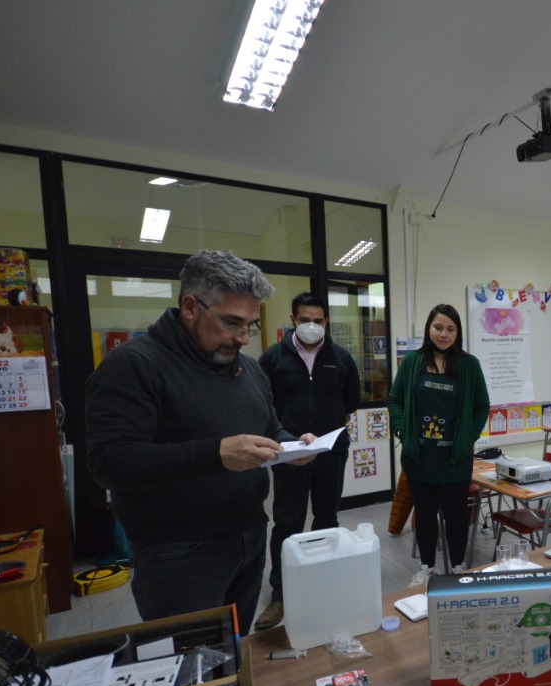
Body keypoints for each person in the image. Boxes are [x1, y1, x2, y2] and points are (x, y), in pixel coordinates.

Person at [86, 250, 315, 635]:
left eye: (250, 326)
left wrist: (294, 446)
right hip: (177, 552)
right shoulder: (135, 365)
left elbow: (270, 427)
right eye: (231, 323)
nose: (242, 337)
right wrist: (216, 454)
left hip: (248, 535)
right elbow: (109, 462)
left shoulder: (249, 368)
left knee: (235, 653)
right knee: (190, 667)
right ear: (190, 306)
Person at [253, 292, 361, 631]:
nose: (311, 326)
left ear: (326, 322)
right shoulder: (272, 358)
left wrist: (327, 431)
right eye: (304, 320)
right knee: (287, 524)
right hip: (290, 455)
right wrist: (289, 438)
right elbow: (261, 405)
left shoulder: (341, 358)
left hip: (332, 452)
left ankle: (321, 584)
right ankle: (281, 596)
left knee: (327, 520)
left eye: (317, 320)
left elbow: (351, 402)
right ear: (293, 319)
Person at [387, 304, 490, 585]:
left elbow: (482, 406)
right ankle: (426, 567)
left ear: (457, 332)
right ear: (429, 329)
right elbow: (395, 400)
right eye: (438, 327)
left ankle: (458, 568)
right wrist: (401, 429)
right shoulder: (412, 363)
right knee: (425, 515)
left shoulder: (470, 365)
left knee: (457, 517)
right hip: (419, 456)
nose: (444, 334)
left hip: (455, 460)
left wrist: (469, 435)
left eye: (450, 329)